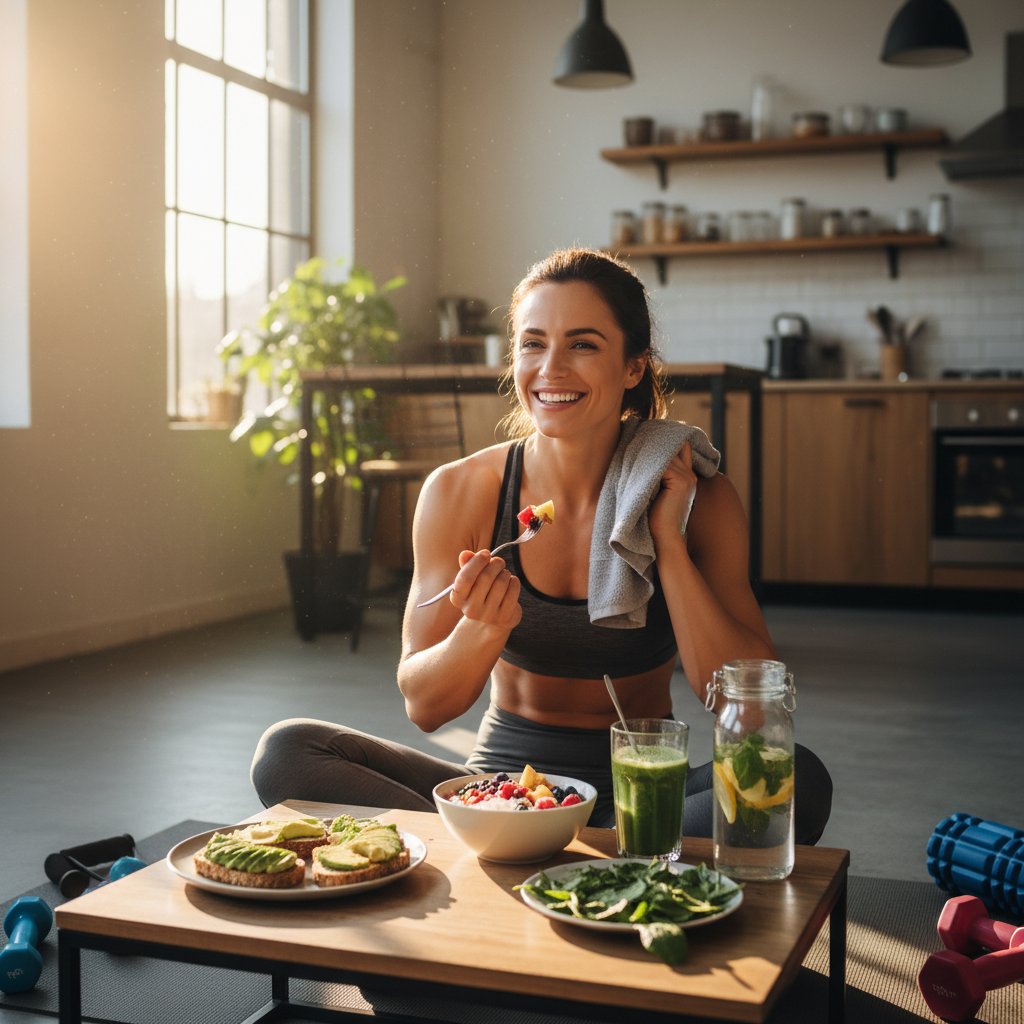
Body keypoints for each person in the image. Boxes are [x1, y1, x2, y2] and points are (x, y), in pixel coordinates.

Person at [252, 247, 832, 842]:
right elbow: (425, 707)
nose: (551, 368)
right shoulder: (462, 492)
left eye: (582, 344)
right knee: (289, 752)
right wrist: (481, 629)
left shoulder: (699, 499)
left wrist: (669, 545)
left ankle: (542, 859)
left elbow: (752, 709)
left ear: (633, 367)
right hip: (504, 792)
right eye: (533, 344)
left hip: (643, 791)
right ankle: (594, 864)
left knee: (799, 777)